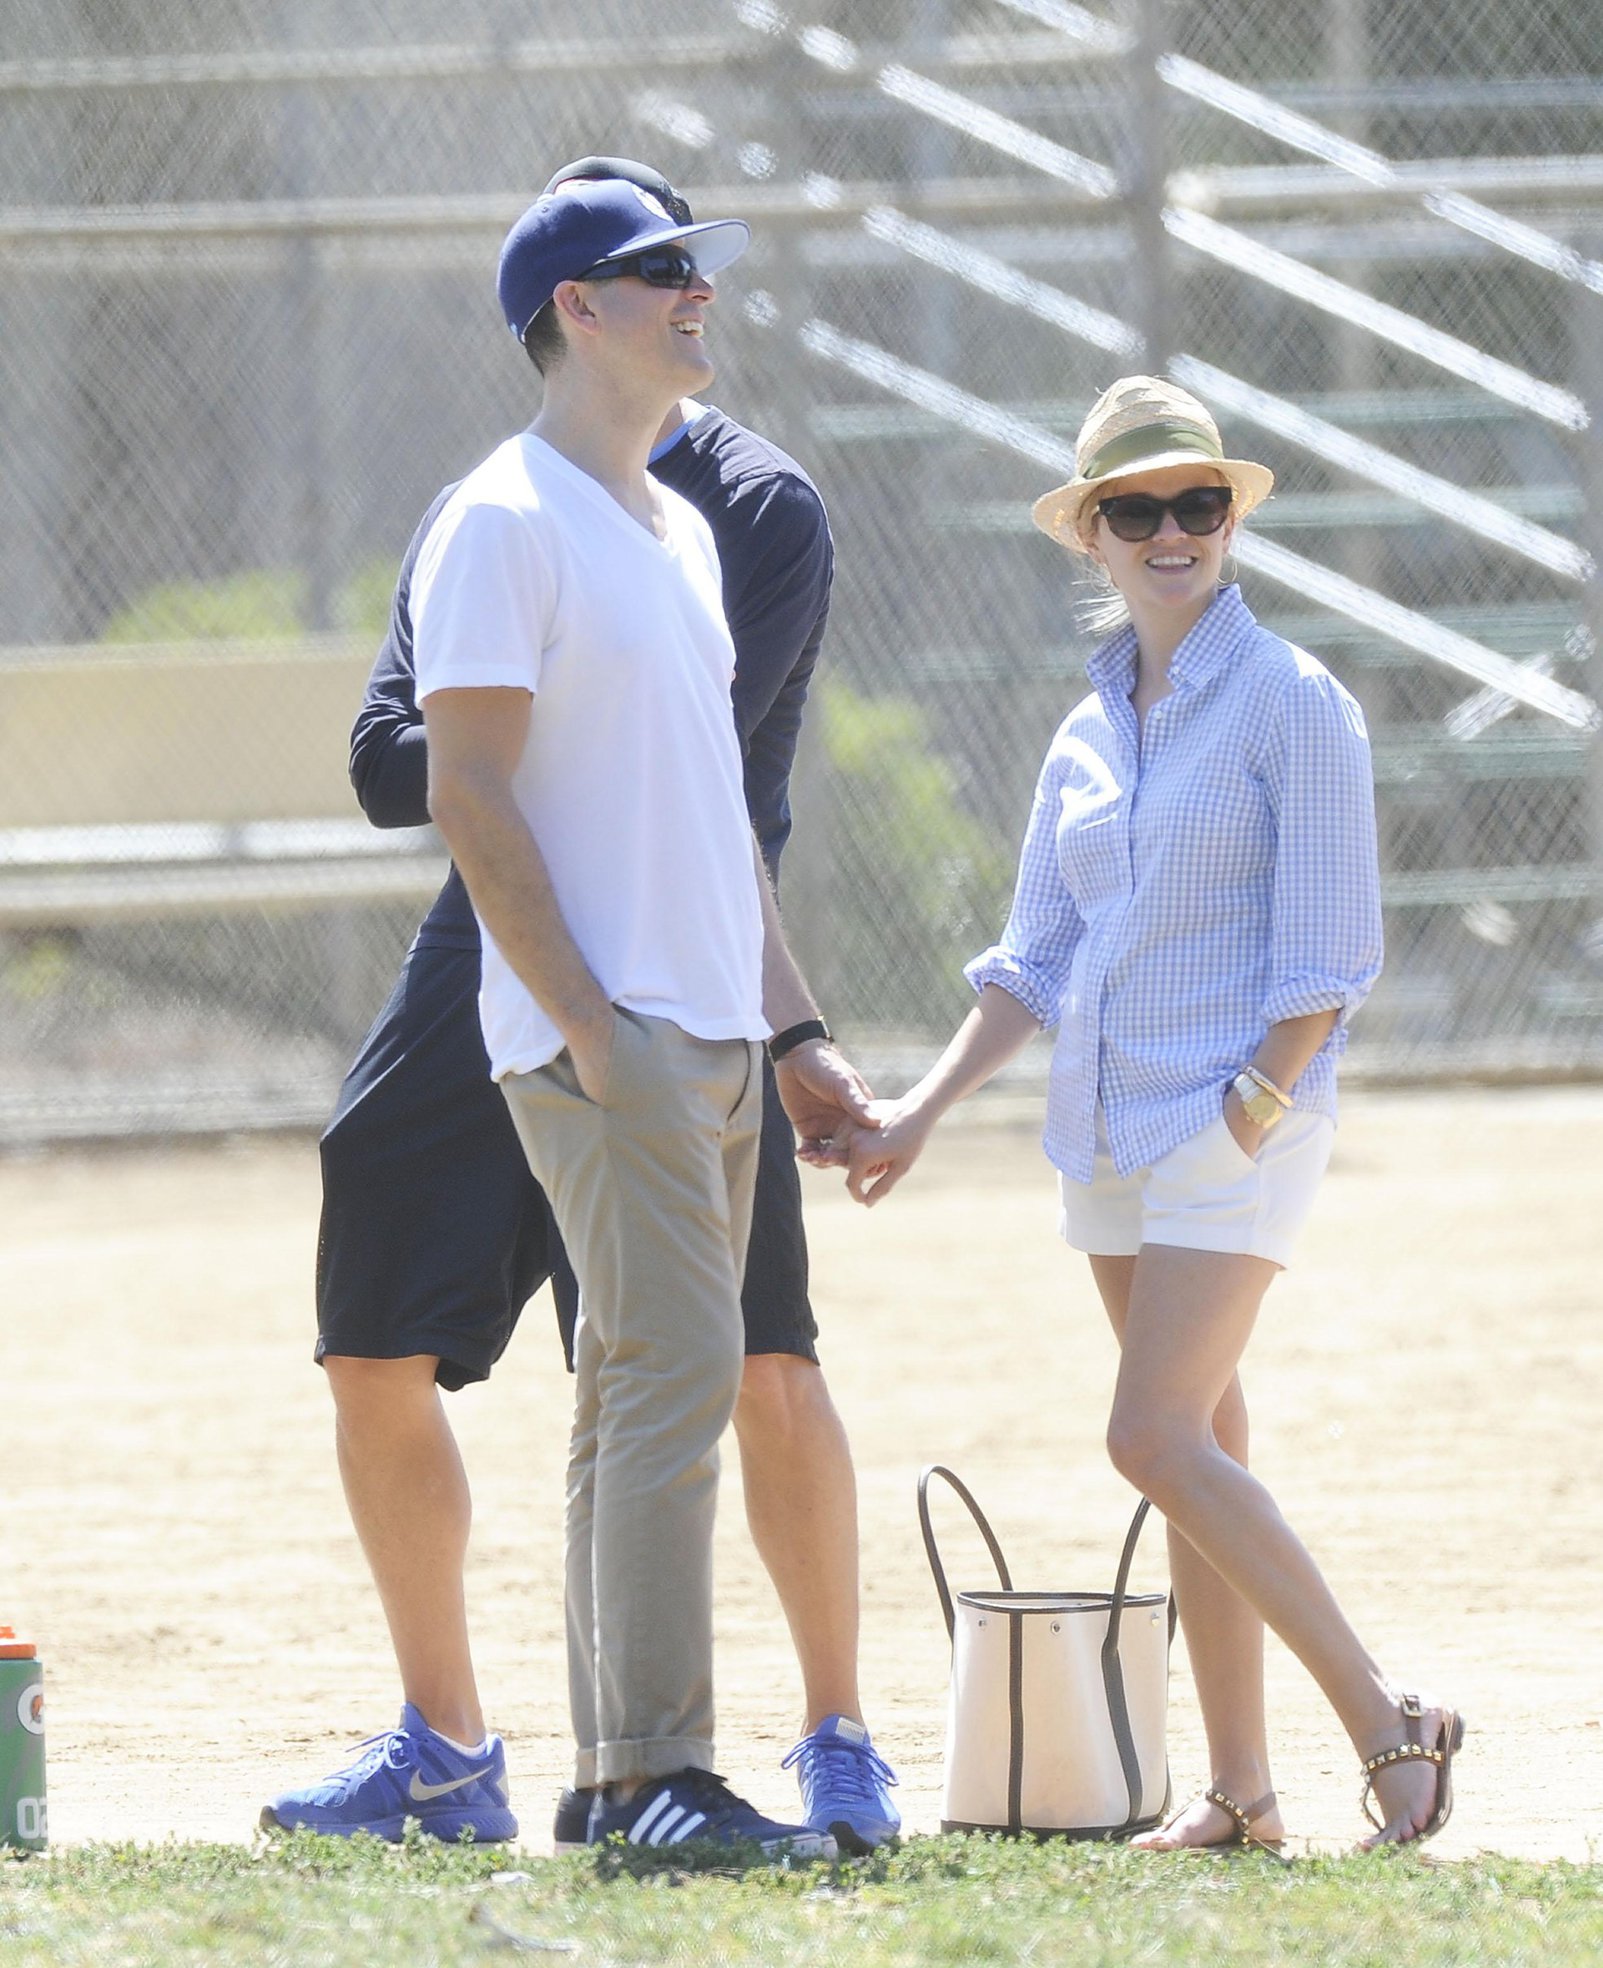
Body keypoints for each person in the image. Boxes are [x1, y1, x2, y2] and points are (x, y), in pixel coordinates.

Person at [262, 169, 894, 1857]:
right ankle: (653, 1781)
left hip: (714, 1036)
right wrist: (589, 1027)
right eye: (662, 271)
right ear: (574, 310)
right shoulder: (503, 516)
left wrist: (785, 1028)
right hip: (611, 1036)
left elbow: (711, 817)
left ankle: (625, 1777)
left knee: (646, 1389)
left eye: (700, 270)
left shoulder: (687, 530)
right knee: (670, 1384)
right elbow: (457, 784)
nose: (701, 293)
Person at [841, 376, 1464, 1852]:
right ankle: (1241, 1797)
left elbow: (1330, 958)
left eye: (1200, 503)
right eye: (1139, 509)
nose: (1173, 529)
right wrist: (917, 1111)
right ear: (1095, 541)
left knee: (1151, 1436)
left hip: (1230, 1121)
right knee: (1201, 1439)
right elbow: (1035, 962)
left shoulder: (1295, 701)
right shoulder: (1085, 731)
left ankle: (1390, 1721)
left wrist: (1239, 1121)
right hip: (1105, 1132)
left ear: (1232, 520)